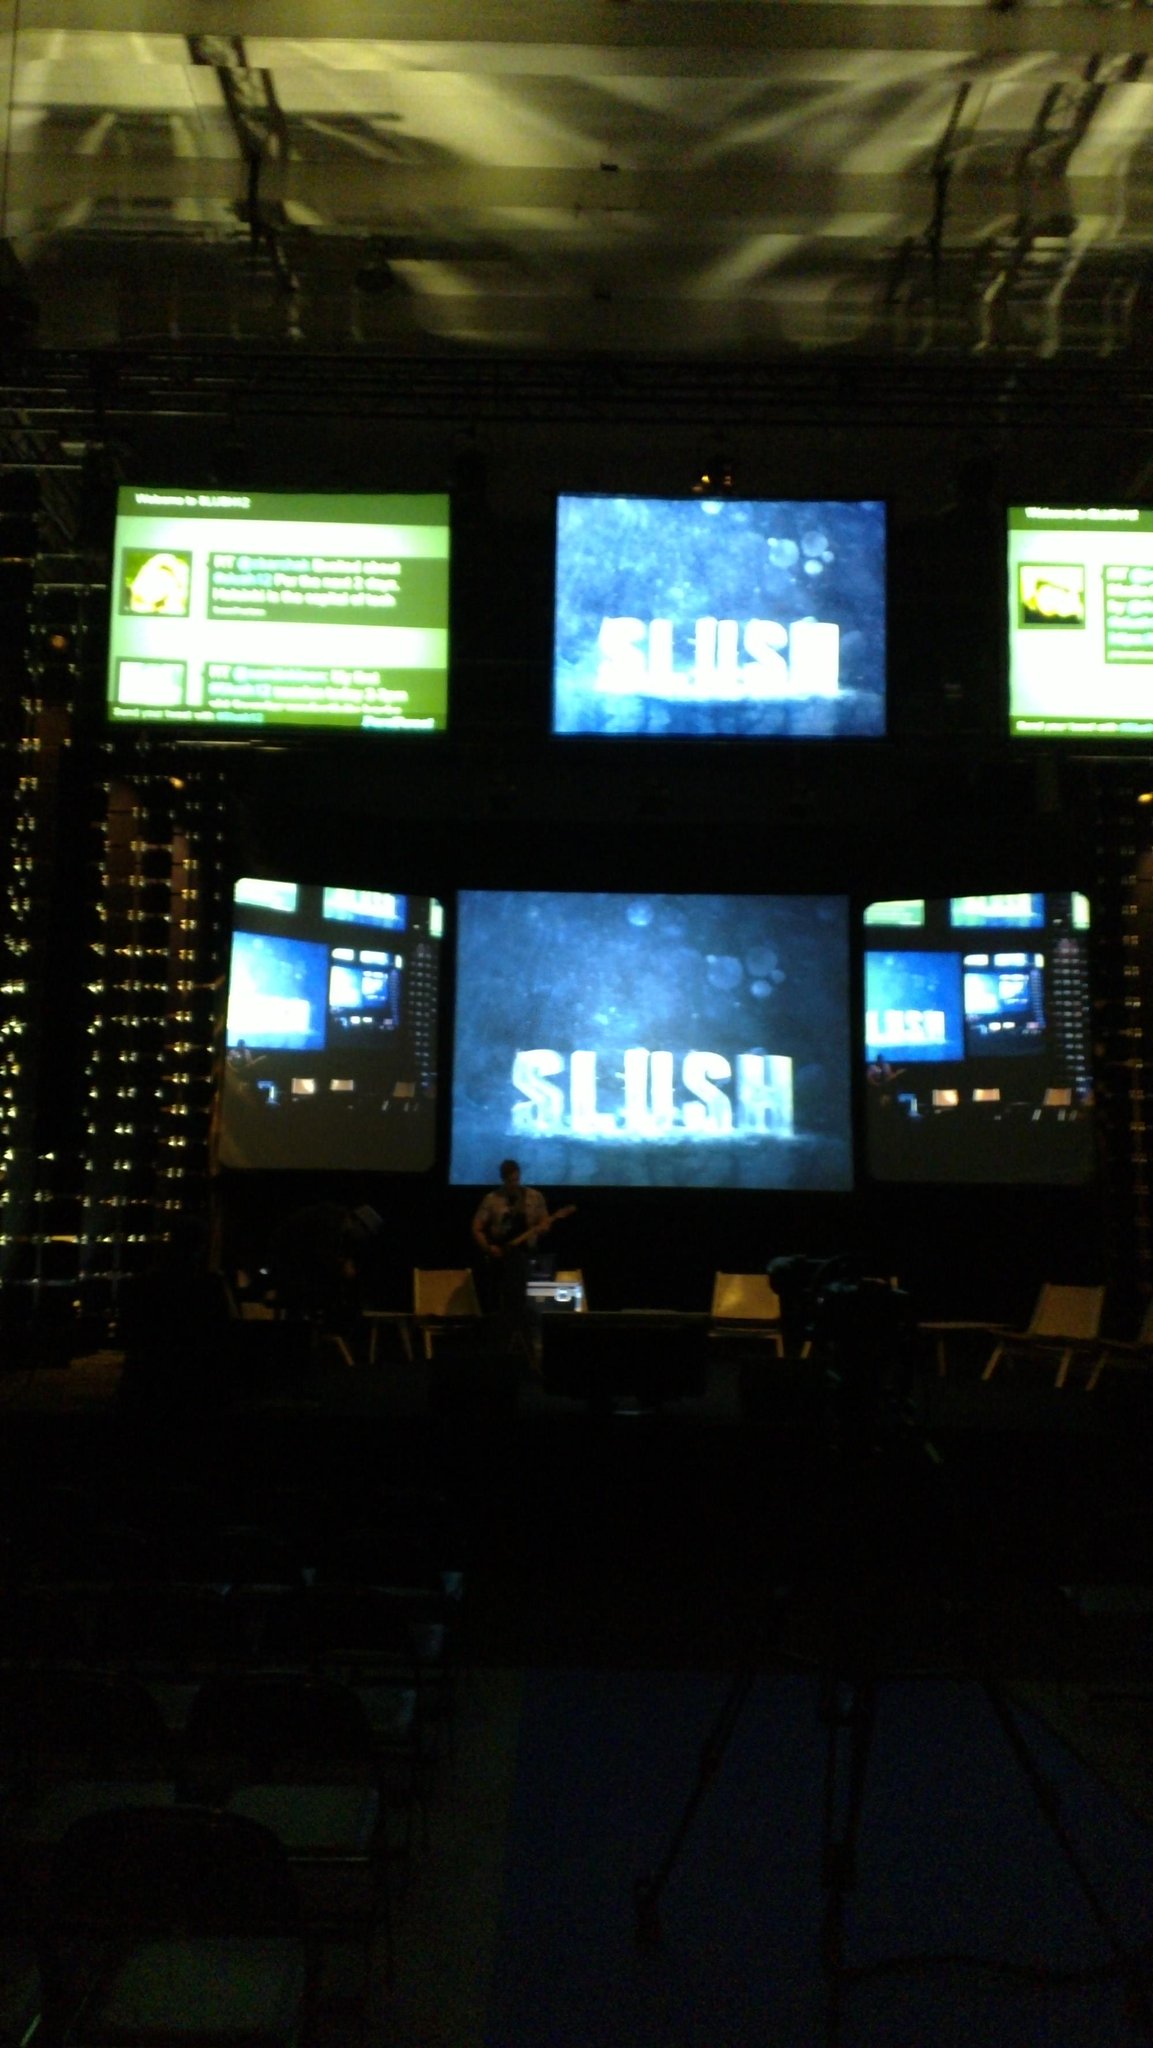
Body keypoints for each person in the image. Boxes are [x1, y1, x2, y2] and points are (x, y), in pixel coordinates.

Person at [471, 1160, 550, 1324]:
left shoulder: (534, 1197)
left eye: (516, 1180)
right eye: (510, 1181)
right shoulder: (492, 1199)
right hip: (501, 1258)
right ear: (502, 1179)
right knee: (501, 1301)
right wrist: (488, 1247)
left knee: (527, 1301)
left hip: (527, 1256)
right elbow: (477, 1228)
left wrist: (543, 1228)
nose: (514, 1184)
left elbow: (545, 1221)